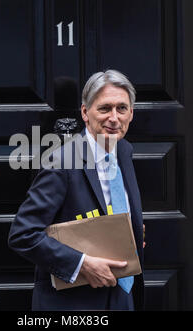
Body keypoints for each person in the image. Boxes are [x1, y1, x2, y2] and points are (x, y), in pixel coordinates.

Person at [8, 70, 144, 311]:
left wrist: (132, 229)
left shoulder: (124, 151)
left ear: (131, 113)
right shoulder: (62, 162)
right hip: (74, 305)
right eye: (104, 109)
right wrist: (81, 264)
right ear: (85, 113)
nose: (114, 118)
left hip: (124, 297)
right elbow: (23, 234)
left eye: (122, 108)